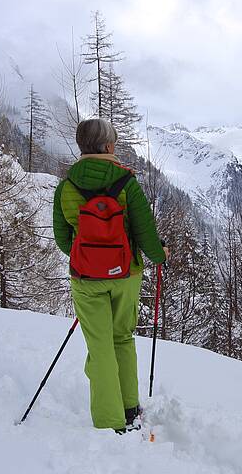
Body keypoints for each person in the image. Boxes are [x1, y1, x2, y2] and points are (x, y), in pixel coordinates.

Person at [52, 118, 168, 433]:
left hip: (87, 280)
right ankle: (130, 409)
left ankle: (108, 421)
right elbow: (145, 231)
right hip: (126, 275)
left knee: (100, 346)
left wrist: (90, 260)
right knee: (122, 339)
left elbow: (63, 238)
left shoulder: (66, 186)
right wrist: (159, 256)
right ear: (108, 147)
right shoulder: (126, 183)